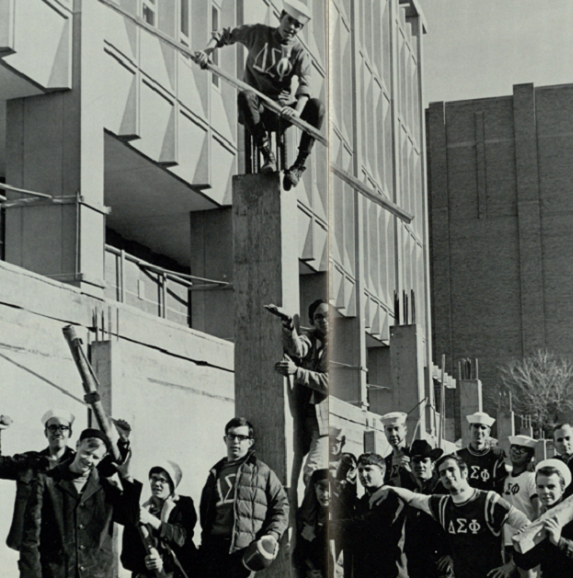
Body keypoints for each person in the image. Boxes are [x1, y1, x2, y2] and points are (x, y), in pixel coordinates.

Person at [195, 0, 325, 190]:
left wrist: (296, 112)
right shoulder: (258, 33)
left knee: (317, 107)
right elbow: (224, 34)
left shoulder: (299, 53)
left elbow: (305, 87)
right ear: (281, 17)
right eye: (290, 21)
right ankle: (267, 154)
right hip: (256, 109)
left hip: (281, 113)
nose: (293, 28)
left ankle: (297, 167)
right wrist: (206, 52)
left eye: (298, 26)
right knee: (246, 95)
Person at [372, 453, 530, 578]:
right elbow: (415, 498)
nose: (447, 475)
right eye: (442, 473)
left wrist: (512, 564)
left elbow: (527, 526)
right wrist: (389, 489)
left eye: (451, 470)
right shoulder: (442, 504)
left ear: (465, 472)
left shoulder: (489, 500)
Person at [19, 428, 141, 578]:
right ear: (77, 445)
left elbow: (130, 519)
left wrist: (127, 477)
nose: (89, 460)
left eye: (95, 457)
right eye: (86, 453)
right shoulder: (47, 482)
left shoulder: (106, 488)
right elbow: (30, 538)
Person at [199, 417, 289, 578]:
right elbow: (205, 512)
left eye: (242, 437)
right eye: (232, 436)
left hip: (243, 551)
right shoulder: (215, 473)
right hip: (214, 549)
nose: (236, 441)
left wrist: (272, 536)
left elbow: (281, 507)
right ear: (225, 439)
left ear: (250, 442)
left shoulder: (263, 472)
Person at [267, 299, 328, 485]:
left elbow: (328, 383)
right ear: (311, 321)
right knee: (294, 474)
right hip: (304, 416)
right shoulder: (310, 339)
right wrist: (288, 323)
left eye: (328, 317)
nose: (324, 321)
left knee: (312, 472)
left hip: (325, 422)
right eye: (318, 317)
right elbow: (297, 349)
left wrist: (297, 372)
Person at [0, 409, 76, 551]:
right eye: (52, 427)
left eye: (63, 428)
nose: (57, 432)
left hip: (66, 543)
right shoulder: (29, 462)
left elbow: (107, 468)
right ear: (46, 432)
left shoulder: (78, 464)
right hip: (33, 542)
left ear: (70, 433)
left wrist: (122, 442)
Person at [332, 453, 408, 578]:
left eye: (368, 469)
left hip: (390, 570)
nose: (363, 474)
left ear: (382, 473)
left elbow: (371, 524)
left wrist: (336, 525)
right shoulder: (364, 501)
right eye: (360, 470)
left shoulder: (392, 497)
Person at [121, 460, 198, 578]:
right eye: (154, 478)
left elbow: (181, 537)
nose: (156, 483)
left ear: (172, 485)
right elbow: (127, 557)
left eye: (162, 480)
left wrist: (151, 520)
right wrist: (145, 563)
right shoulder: (139, 513)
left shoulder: (183, 505)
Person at [513, 459, 573, 577]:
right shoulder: (540, 521)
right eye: (540, 487)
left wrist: (560, 542)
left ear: (562, 488)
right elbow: (527, 563)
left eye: (551, 486)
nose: (545, 492)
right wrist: (520, 545)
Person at [404, 440, 452, 578]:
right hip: (416, 561)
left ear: (433, 464)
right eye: (416, 461)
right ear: (410, 464)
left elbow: (458, 521)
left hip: (440, 561)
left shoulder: (443, 488)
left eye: (424, 461)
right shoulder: (409, 490)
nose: (420, 466)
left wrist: (452, 555)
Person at [502, 435, 539, 578]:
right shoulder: (505, 477)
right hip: (507, 541)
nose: (517, 452)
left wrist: (528, 536)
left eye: (522, 450)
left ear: (530, 456)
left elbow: (538, 511)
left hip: (525, 540)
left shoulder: (531, 478)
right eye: (514, 448)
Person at [457, 411, 507, 493]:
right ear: (470, 428)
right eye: (476, 426)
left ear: (488, 432)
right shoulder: (458, 456)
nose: (479, 431)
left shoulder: (496, 456)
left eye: (483, 428)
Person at [293, 469, 329, 578]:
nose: (325, 494)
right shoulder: (308, 515)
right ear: (314, 488)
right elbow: (299, 552)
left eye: (329, 489)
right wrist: (307, 570)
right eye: (321, 489)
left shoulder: (343, 514)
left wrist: (314, 539)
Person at [380, 412, 417, 490]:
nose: (393, 434)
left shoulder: (416, 456)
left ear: (405, 430)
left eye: (397, 429)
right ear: (385, 432)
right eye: (389, 430)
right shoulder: (385, 462)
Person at [552, 422, 573, 498]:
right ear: (554, 444)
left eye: (568, 438)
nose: (564, 443)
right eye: (559, 440)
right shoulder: (553, 463)